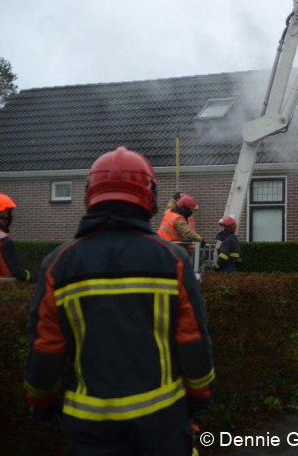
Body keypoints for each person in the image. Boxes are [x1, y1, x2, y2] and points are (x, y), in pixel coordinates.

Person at [24, 147, 215, 455]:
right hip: (162, 421)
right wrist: (201, 395)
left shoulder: (58, 263)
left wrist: (40, 401)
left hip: (88, 426)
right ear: (149, 196)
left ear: (90, 194)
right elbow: (192, 338)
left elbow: (46, 346)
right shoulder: (173, 260)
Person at [0, 192, 31, 281]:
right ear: (3, 214)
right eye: (9, 212)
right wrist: (27, 275)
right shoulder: (2, 240)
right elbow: (15, 273)